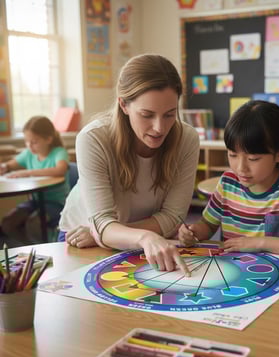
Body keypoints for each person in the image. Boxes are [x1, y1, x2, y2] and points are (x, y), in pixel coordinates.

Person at [58, 54, 200, 277]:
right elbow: (103, 221)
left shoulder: (187, 139)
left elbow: (173, 216)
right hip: (81, 236)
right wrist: (138, 236)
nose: (159, 128)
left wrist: (104, 234)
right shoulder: (93, 138)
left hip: (106, 236)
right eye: (147, 115)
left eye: (170, 115)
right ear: (123, 104)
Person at [179, 100, 279, 259]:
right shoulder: (228, 183)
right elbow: (207, 225)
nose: (241, 168)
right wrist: (193, 232)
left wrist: (259, 243)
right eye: (232, 155)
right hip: (238, 274)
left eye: (253, 159)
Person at [0, 116, 70, 246]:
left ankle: (41, 250)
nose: (29, 146)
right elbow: (11, 164)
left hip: (57, 203)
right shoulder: (29, 153)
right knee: (8, 223)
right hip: (35, 202)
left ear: (48, 139)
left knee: (34, 224)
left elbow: (60, 169)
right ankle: (29, 249)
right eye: (27, 142)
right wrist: (5, 167)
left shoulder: (58, 152)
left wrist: (27, 172)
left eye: (34, 142)